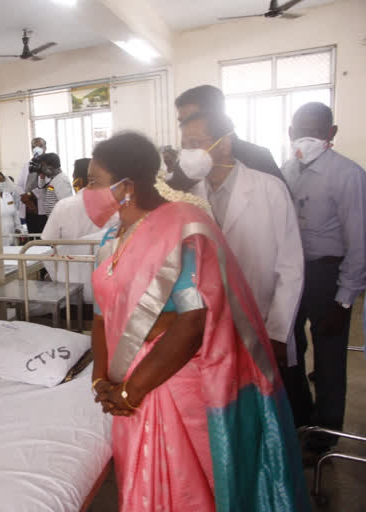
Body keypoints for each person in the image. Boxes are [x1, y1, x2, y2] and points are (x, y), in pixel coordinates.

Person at [87, 132, 308, 511]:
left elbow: (193, 322)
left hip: (171, 385)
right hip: (126, 391)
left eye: (94, 182)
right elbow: (101, 314)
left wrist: (129, 391)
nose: (87, 192)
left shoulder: (184, 227)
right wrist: (101, 379)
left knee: (185, 491)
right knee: (139, 484)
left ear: (126, 186)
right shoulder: (111, 237)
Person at [179, 110, 304, 373]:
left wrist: (278, 333)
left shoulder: (270, 189)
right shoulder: (189, 196)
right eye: (184, 147)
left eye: (195, 144)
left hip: (261, 319)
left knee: (267, 399)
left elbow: (291, 267)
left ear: (224, 144)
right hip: (209, 327)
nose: (187, 154)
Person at [281, 102, 366, 452]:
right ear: (289, 133)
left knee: (329, 353)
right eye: (300, 130)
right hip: (293, 271)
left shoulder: (348, 174)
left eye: (316, 131)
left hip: (329, 273)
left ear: (331, 134)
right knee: (291, 348)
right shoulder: (287, 170)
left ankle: (327, 432)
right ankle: (301, 414)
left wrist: (344, 300)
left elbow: (360, 241)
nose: (307, 138)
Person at [166, 85, 285, 191]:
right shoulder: (186, 161)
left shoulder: (258, 158)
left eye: (190, 120)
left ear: (215, 115)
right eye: (182, 122)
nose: (185, 127)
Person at [42, 159, 116, 313]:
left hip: (68, 288)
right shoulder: (116, 207)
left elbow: (48, 241)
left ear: (78, 179)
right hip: (106, 286)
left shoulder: (63, 206)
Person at [21, 153, 72, 234]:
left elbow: (65, 205)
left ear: (50, 166)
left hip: (60, 225)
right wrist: (42, 177)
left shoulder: (61, 180)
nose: (41, 168)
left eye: (42, 165)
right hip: (55, 223)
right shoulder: (54, 179)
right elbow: (41, 189)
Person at [16, 137, 48, 226]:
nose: (36, 148)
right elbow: (19, 185)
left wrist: (29, 195)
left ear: (45, 148)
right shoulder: (26, 165)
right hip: (28, 206)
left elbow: (45, 186)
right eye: (33, 146)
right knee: (32, 236)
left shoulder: (49, 164)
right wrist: (26, 200)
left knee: (43, 236)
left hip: (42, 208)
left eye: (40, 146)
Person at [0, 172, 22, 244]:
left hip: (12, 232)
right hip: (0, 234)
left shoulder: (7, 195)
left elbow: (15, 213)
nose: (1, 182)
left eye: (2, 180)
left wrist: (18, 228)